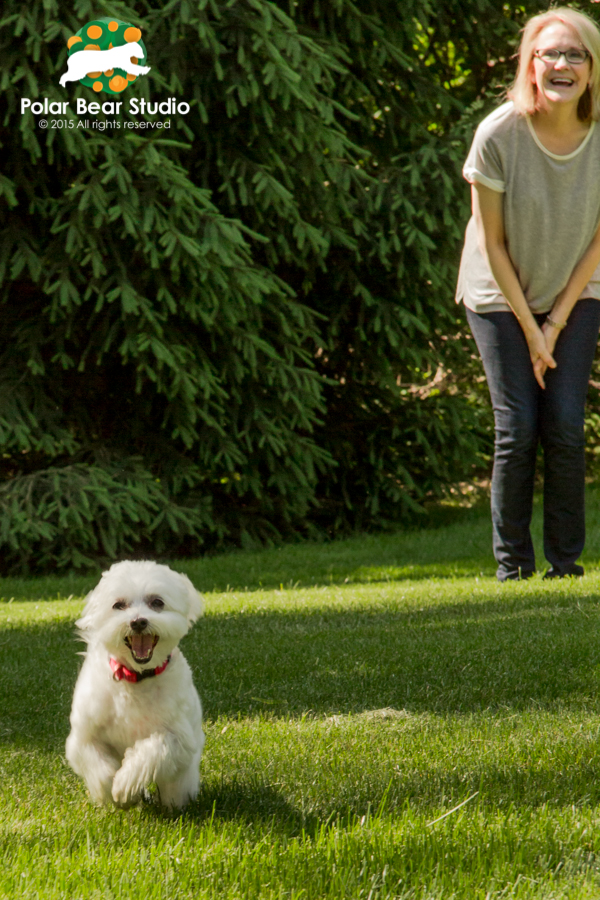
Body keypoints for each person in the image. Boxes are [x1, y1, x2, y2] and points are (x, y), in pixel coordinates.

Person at [456, 7, 600, 580]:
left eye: (575, 55)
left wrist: (556, 323)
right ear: (530, 64)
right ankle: (513, 570)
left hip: (577, 285)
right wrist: (530, 327)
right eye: (550, 54)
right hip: (498, 290)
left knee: (564, 423)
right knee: (517, 426)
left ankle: (564, 566)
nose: (562, 64)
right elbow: (491, 242)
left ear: (592, 69)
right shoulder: (498, 133)